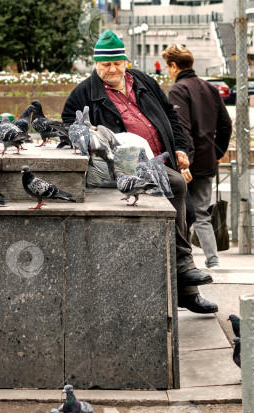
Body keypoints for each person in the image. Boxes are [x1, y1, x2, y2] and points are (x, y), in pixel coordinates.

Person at [62, 30, 218, 314]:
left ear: (125, 60)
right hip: (126, 163)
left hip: (163, 157)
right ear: (96, 64)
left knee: (183, 213)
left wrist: (180, 148)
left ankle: (186, 287)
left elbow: (170, 114)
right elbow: (68, 128)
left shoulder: (143, 80)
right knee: (176, 188)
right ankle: (185, 272)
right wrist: (89, 133)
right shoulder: (83, 93)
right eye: (105, 64)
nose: (112, 69)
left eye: (117, 63)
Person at [163, 44, 232, 269]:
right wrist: (217, 152)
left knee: (181, 214)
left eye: (167, 66)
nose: (167, 71)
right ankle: (213, 261)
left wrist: (185, 162)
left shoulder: (178, 90)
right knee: (202, 213)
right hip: (207, 162)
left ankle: (184, 263)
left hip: (188, 164)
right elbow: (225, 125)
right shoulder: (210, 88)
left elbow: (182, 129)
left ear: (174, 66)